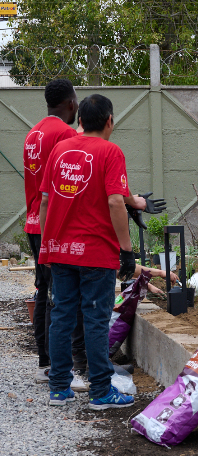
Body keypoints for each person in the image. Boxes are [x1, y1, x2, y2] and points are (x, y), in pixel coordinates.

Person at [38, 93, 148, 409]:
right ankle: (100, 391)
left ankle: (59, 388)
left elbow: (45, 201)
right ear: (110, 121)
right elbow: (116, 200)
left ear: (81, 121)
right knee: (95, 319)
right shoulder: (111, 152)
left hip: (60, 250)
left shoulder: (59, 149)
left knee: (61, 316)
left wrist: (48, 245)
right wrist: (127, 251)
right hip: (95, 252)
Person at [22, 79, 81, 380]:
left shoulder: (33, 134)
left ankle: (45, 359)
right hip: (53, 226)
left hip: (33, 222)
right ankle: (63, 363)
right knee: (62, 294)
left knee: (44, 289)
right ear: (71, 103)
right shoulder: (65, 134)